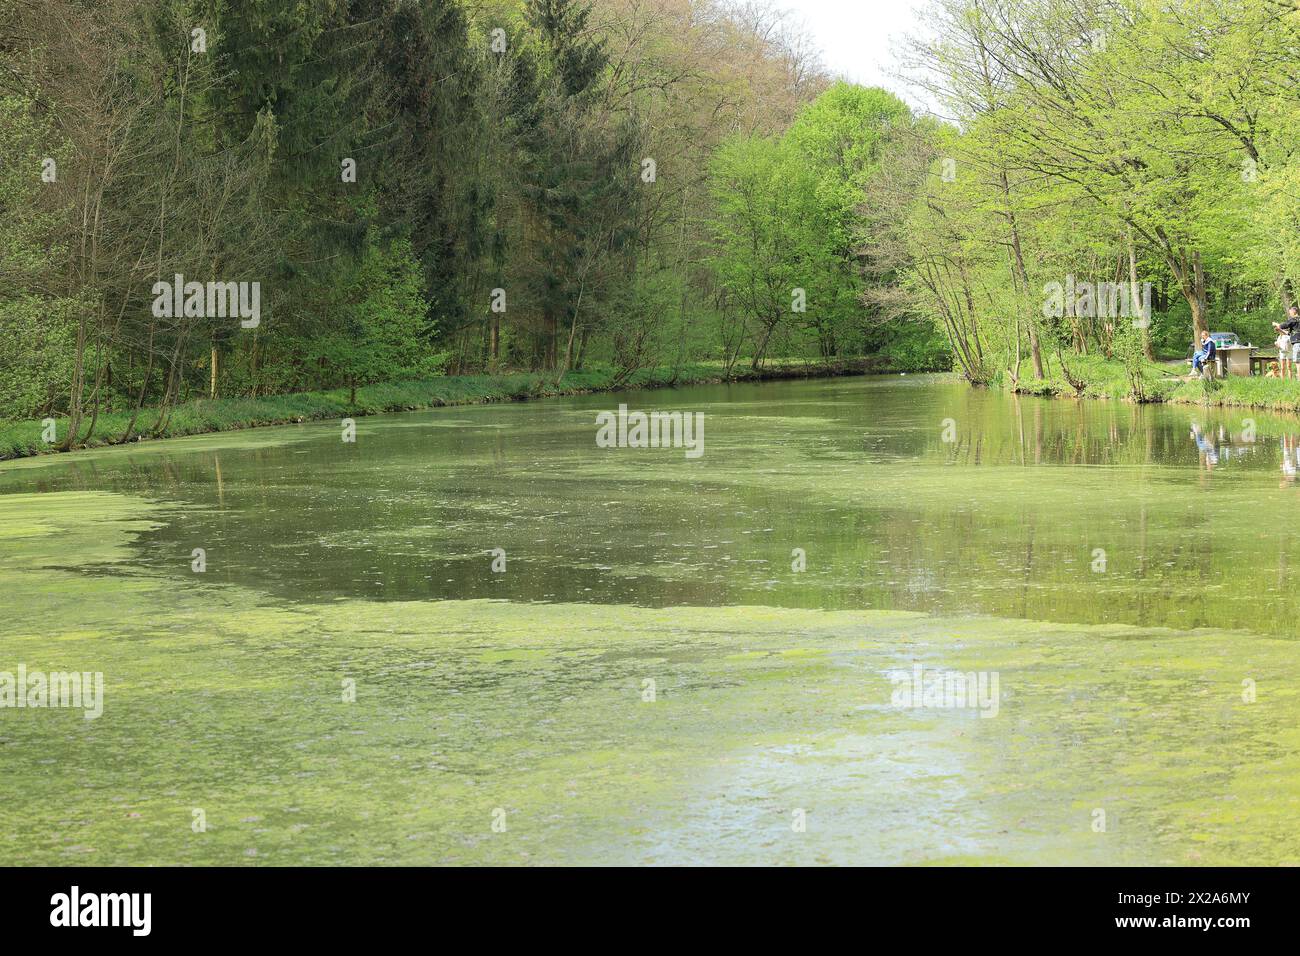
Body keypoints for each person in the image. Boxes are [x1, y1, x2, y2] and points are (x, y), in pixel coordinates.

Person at [1273, 306, 1300, 381]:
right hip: (1296, 343)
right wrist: (1280, 330)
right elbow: (1290, 333)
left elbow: (1282, 325)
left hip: (1297, 343)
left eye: (1290, 312)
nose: (1289, 314)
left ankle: (1299, 379)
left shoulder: (1293, 319)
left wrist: (1275, 324)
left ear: (1294, 311)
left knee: (1298, 362)